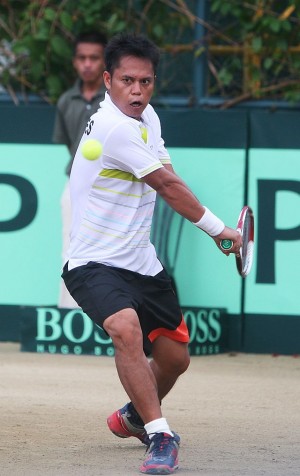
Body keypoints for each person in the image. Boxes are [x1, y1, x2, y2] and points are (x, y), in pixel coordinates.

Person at [62, 33, 242, 475]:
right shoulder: (115, 126)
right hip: (91, 262)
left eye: (145, 81)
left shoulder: (147, 117)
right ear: (107, 80)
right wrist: (220, 232)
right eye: (127, 80)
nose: (137, 90)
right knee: (124, 328)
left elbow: (168, 172)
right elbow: (165, 186)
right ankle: (161, 435)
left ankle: (133, 415)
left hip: (143, 262)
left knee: (175, 360)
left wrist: (209, 222)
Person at [52, 31, 107, 308]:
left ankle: (110, 317)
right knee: (70, 248)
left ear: (104, 62)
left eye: (94, 58)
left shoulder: (115, 100)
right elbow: (69, 147)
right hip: (74, 187)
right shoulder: (65, 101)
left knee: (108, 254)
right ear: (75, 62)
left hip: (111, 188)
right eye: (82, 58)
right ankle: (68, 313)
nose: (88, 64)